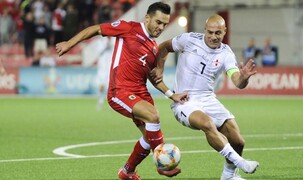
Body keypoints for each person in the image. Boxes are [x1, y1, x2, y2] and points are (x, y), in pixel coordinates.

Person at [55, 2, 188, 180]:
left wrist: (172, 94)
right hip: (121, 91)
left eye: (164, 24)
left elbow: (153, 78)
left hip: (142, 94)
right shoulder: (129, 28)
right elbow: (96, 29)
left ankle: (127, 171)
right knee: (153, 116)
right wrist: (69, 44)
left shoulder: (154, 47)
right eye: (158, 22)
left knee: (149, 137)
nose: (161, 27)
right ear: (147, 18)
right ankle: (161, 165)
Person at [150, 14, 259, 180]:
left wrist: (243, 78)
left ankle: (228, 176)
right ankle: (241, 162)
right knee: (207, 123)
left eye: (218, 33)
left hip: (208, 99)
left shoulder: (226, 53)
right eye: (210, 32)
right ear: (204, 30)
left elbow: (237, 81)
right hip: (184, 101)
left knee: (238, 141)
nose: (213, 37)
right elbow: (164, 47)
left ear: (224, 32)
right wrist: (159, 68)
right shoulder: (188, 40)